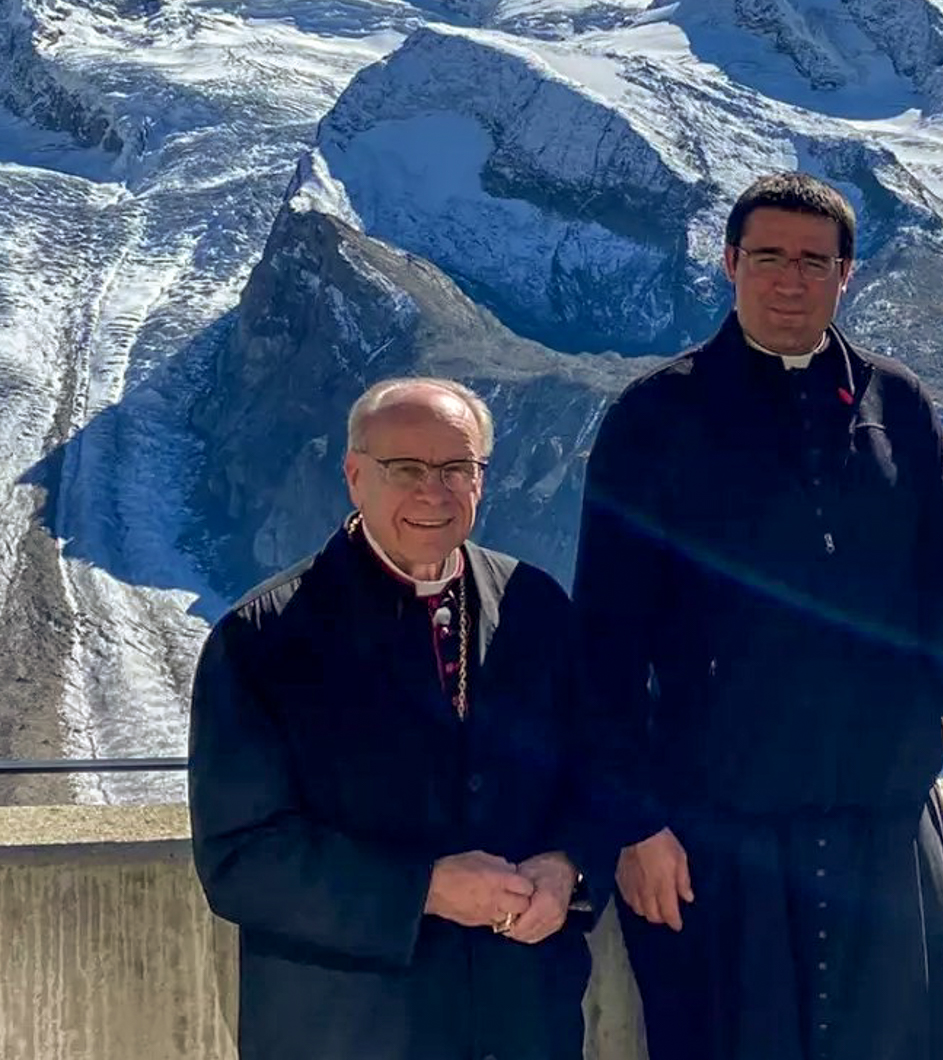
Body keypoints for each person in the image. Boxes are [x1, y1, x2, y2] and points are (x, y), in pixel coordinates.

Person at [573, 172, 943, 1060]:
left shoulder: (897, 406)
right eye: (768, 258)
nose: (789, 280)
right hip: (720, 826)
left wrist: (942, 715)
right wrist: (636, 823)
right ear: (729, 264)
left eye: (813, 261)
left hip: (881, 812)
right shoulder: (656, 416)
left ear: (847, 274)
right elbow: (604, 640)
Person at [189, 378, 624, 1060]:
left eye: (457, 468)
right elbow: (242, 859)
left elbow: (595, 773)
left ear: (482, 480)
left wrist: (566, 863)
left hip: (519, 1020)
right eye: (406, 469)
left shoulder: (534, 607)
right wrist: (425, 888)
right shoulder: (265, 639)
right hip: (347, 1027)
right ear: (355, 475)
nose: (433, 491)